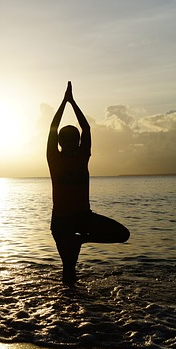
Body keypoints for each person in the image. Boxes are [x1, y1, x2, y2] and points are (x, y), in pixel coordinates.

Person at [47, 81, 130, 286]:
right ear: (61, 143)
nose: (71, 144)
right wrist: (67, 102)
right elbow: (56, 127)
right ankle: (69, 307)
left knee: (122, 234)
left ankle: (82, 240)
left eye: (74, 140)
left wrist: (70, 102)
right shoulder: (54, 158)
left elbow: (85, 128)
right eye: (68, 140)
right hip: (62, 222)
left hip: (83, 218)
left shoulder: (82, 156)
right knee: (69, 268)